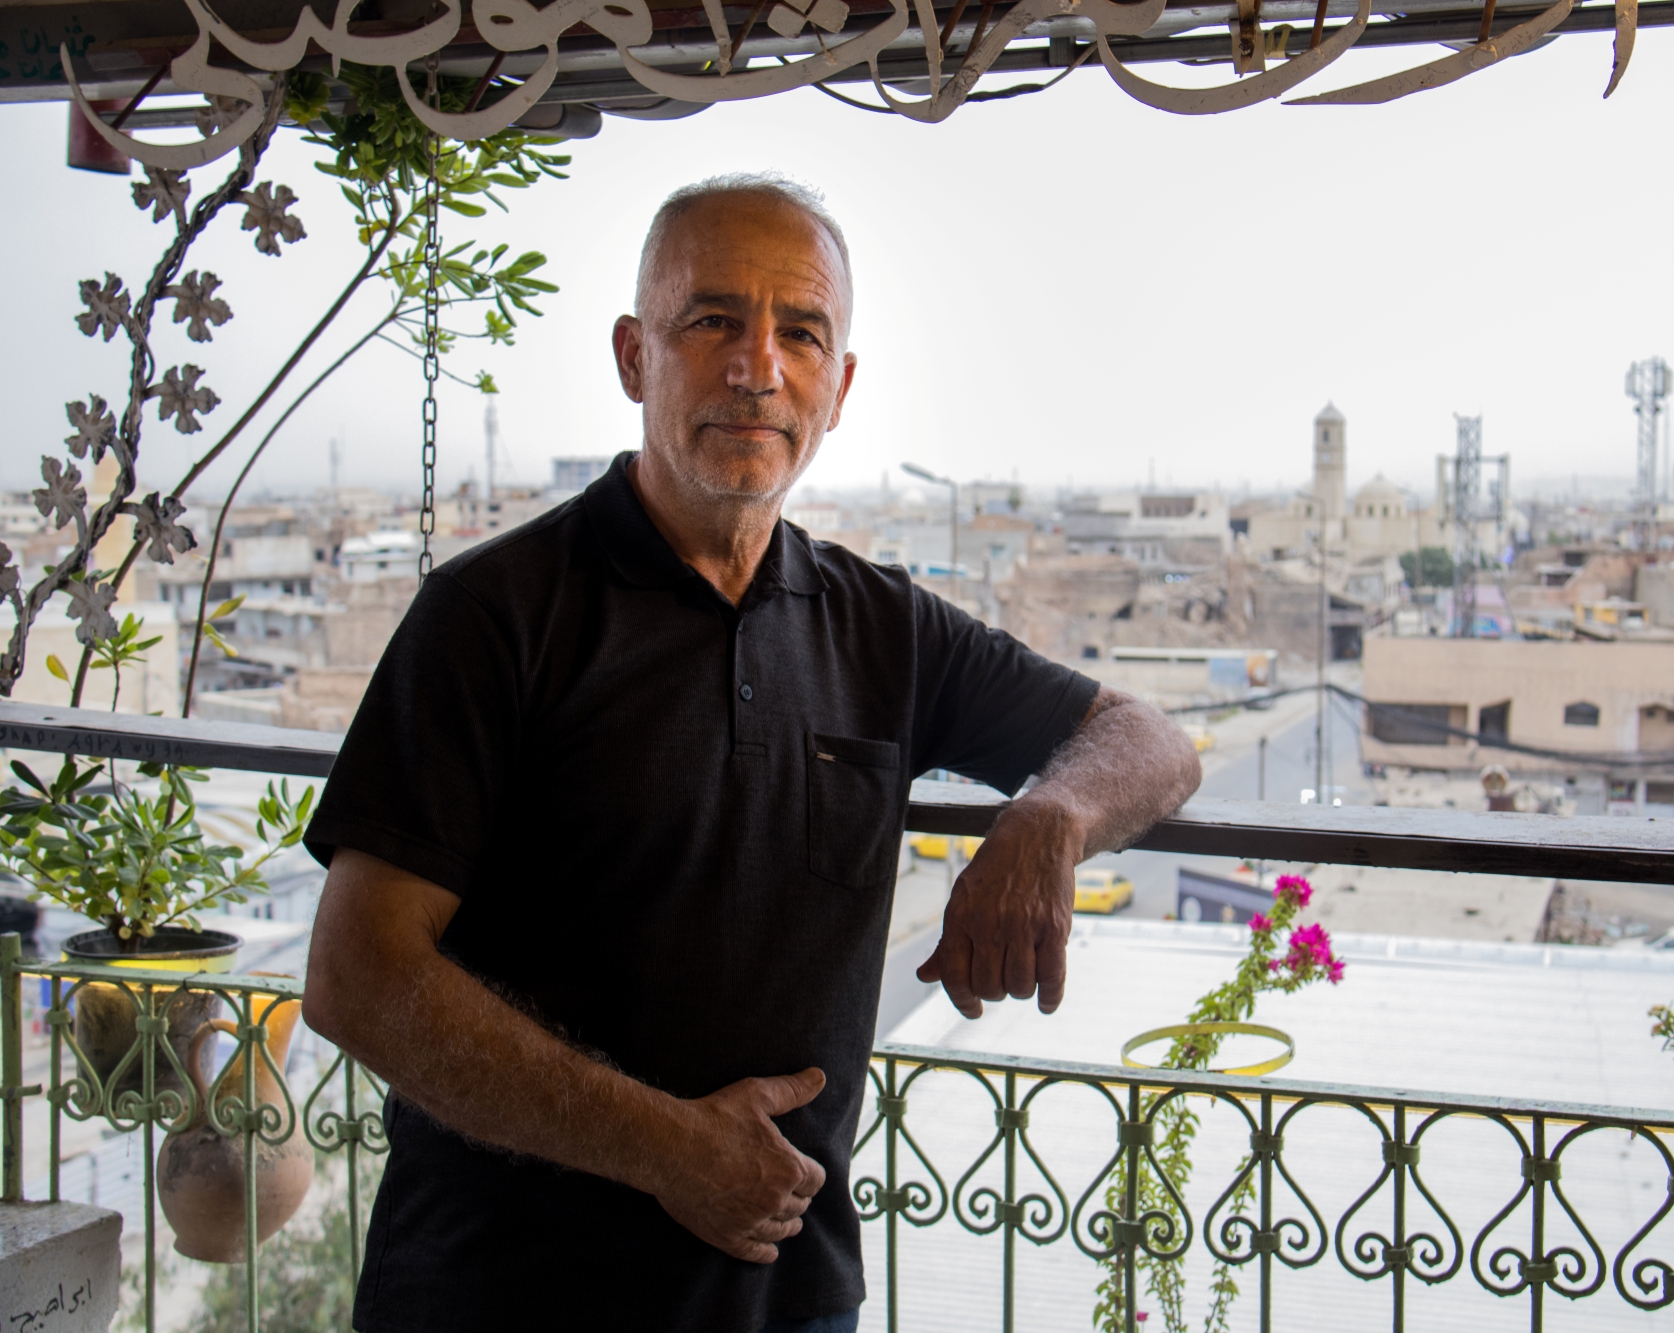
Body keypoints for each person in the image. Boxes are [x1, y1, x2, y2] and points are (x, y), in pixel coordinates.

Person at [301, 173, 1202, 1333]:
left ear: (839, 386)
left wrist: (1048, 819)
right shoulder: (496, 616)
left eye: (801, 333)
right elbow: (357, 974)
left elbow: (1147, 737)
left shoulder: (881, 627)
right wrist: (665, 1147)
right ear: (635, 357)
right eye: (713, 320)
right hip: (497, 1295)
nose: (756, 366)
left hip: (787, 1295)